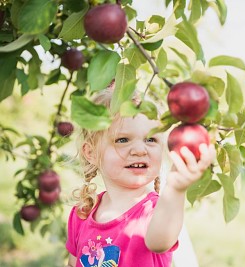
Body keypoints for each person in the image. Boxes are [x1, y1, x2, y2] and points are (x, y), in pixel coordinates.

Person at [65, 88, 216, 267]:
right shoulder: (82, 213)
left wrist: (175, 188)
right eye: (122, 140)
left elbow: (159, 242)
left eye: (151, 140)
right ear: (90, 153)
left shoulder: (154, 212)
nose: (139, 150)